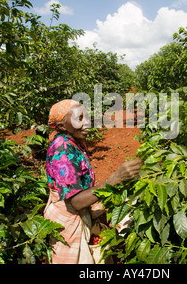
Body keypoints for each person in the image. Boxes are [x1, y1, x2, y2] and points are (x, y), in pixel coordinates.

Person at [43, 99, 143, 264]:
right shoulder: (63, 149)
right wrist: (116, 178)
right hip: (68, 218)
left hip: (79, 212)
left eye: (86, 117)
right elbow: (76, 201)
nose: (87, 122)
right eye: (79, 118)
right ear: (61, 126)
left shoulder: (74, 142)